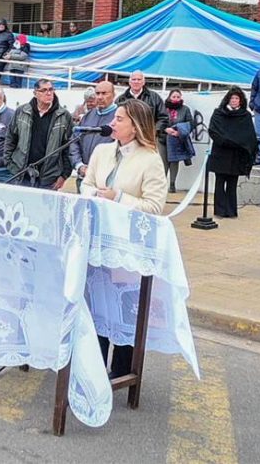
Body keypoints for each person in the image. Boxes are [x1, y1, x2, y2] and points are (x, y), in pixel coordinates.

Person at [80, 98, 167, 378]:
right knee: (95, 309)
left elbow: (154, 207)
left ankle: (120, 374)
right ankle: (93, 369)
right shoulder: (102, 151)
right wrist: (95, 193)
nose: (112, 123)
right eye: (114, 118)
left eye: (119, 119)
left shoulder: (150, 160)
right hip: (96, 242)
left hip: (127, 249)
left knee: (121, 312)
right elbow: (86, 184)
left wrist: (118, 197)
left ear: (136, 126)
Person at [4, 79, 73, 190]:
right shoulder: (21, 111)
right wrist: (9, 163)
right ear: (35, 93)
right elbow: (11, 138)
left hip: (49, 178)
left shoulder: (64, 116)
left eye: (51, 89)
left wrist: (64, 175)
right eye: (44, 90)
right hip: (22, 175)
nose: (49, 93)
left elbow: (69, 148)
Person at [208, 87, 258, 219]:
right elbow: (213, 131)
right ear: (227, 99)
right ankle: (219, 210)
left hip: (236, 155)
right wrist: (225, 141)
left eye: (237, 98)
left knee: (232, 184)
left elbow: (249, 136)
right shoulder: (218, 113)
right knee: (219, 183)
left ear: (241, 101)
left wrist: (242, 145)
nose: (234, 101)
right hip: (221, 153)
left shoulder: (245, 115)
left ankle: (231, 211)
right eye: (232, 98)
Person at [70, 81, 116, 189]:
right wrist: (79, 165)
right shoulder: (88, 116)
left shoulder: (120, 117)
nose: (100, 97)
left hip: (106, 183)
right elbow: (74, 142)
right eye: (98, 93)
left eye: (104, 93)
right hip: (84, 179)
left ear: (114, 95)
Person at [115, 71, 167, 155]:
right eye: (134, 79)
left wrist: (154, 131)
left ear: (143, 82)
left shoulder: (154, 97)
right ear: (129, 82)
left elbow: (163, 118)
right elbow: (116, 119)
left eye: (139, 79)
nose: (136, 82)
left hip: (148, 139)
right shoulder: (120, 99)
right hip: (127, 139)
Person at [161, 89, 195, 193]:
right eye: (174, 97)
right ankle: (161, 185)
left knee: (174, 162)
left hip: (176, 139)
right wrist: (166, 129)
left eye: (178, 97)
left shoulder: (185, 109)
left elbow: (190, 123)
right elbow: (157, 121)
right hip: (162, 138)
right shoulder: (163, 108)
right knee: (163, 162)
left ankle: (172, 184)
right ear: (169, 97)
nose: (176, 99)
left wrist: (180, 132)